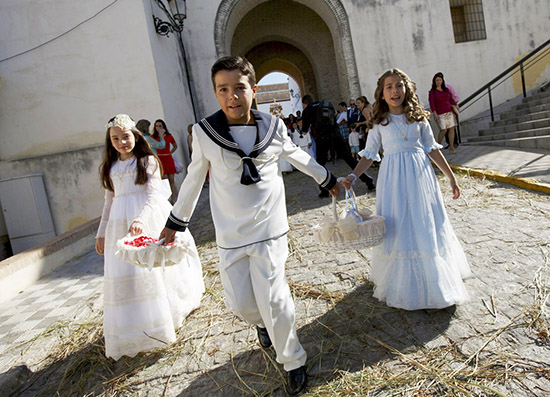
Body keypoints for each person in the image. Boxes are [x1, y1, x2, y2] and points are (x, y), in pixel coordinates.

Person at [159, 56, 340, 395]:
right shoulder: (204, 133)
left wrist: (326, 178)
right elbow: (194, 179)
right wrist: (175, 221)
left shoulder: (274, 127)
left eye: (239, 88)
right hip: (230, 234)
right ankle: (261, 325)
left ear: (253, 90)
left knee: (275, 298)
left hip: (269, 229)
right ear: (215, 93)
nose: (233, 97)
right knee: (242, 304)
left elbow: (297, 156)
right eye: (223, 89)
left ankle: (294, 360)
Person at [341, 68, 470, 311]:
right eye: (389, 86)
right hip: (393, 180)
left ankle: (435, 280)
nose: (394, 91)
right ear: (381, 93)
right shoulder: (379, 123)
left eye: (399, 85)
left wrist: (451, 177)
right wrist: (352, 175)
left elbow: (432, 149)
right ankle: (402, 283)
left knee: (424, 222)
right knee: (398, 223)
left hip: (420, 178)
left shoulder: (419, 119)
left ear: (406, 89)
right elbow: (369, 156)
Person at [95, 114, 204, 360]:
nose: (122, 142)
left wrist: (141, 220)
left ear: (135, 135)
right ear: (109, 141)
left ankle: (161, 318)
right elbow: (108, 202)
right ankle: (134, 325)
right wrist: (101, 232)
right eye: (115, 138)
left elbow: (155, 196)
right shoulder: (110, 168)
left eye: (125, 136)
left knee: (151, 269)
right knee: (127, 274)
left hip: (147, 218)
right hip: (118, 225)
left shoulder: (147, 162)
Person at [302, 94, 375, 197]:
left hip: (322, 138)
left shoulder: (307, 110)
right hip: (336, 134)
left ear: (304, 104)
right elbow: (335, 115)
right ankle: (368, 180)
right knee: (349, 158)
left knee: (320, 164)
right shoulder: (324, 104)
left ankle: (324, 190)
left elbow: (304, 130)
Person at [429, 72, 459, 154]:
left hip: (449, 112)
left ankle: (452, 147)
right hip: (440, 113)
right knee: (443, 130)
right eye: (437, 80)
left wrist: (455, 105)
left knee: (452, 129)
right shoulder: (432, 92)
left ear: (442, 80)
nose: (438, 82)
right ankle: (438, 145)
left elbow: (451, 100)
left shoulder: (446, 90)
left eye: (440, 80)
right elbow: (432, 103)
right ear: (434, 81)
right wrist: (434, 113)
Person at [153, 119, 179, 203]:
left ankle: (174, 198)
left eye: (160, 126)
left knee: (172, 179)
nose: (158, 128)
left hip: (168, 159)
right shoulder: (153, 137)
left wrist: (170, 152)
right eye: (157, 126)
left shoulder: (169, 136)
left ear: (163, 126)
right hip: (160, 159)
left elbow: (175, 146)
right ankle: (167, 199)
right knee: (164, 179)